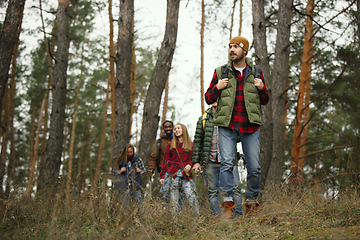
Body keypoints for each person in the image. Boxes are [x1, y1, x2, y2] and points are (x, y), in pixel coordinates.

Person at [204, 36, 269, 216]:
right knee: (226, 163)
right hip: (228, 125)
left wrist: (262, 87)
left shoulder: (256, 72)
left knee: (254, 167)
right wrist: (217, 87)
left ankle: (251, 202)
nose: (232, 50)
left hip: (250, 126)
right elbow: (208, 98)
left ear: (244, 50)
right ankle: (228, 204)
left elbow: (265, 100)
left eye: (236, 47)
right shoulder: (221, 72)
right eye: (230, 47)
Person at [192, 101, 243, 217]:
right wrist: (196, 162)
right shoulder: (203, 119)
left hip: (229, 160)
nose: (215, 99)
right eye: (213, 96)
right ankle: (217, 219)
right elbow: (197, 141)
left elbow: (239, 136)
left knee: (235, 189)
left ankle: (239, 217)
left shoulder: (230, 116)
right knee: (213, 191)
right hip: (210, 160)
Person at [160, 123, 199, 214]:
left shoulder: (191, 145)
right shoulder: (170, 145)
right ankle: (175, 222)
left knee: (191, 196)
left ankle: (196, 218)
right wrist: (162, 176)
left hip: (186, 175)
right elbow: (165, 161)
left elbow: (194, 159)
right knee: (174, 200)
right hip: (173, 174)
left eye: (178, 128)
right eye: (175, 129)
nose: (176, 130)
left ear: (184, 130)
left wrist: (190, 165)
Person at [148, 120, 174, 202]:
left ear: (172, 127)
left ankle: (179, 214)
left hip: (177, 171)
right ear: (163, 129)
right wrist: (151, 168)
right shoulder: (158, 142)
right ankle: (166, 213)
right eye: (166, 127)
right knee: (165, 194)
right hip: (164, 171)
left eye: (170, 126)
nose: (168, 128)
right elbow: (153, 157)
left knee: (178, 194)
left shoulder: (178, 140)